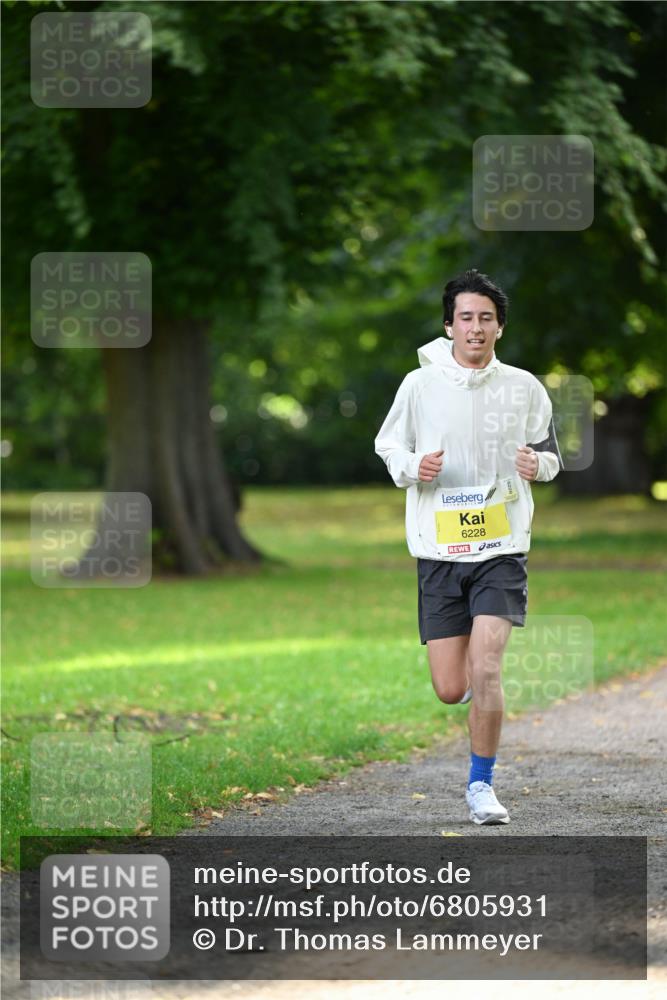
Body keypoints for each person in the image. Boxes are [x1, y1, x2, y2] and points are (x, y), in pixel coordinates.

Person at [374, 269, 562, 825]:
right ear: (449, 325)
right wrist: (414, 466)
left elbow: (550, 454)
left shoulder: (524, 386)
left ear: (499, 327)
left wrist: (539, 465)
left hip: (502, 547)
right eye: (465, 318)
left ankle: (481, 786)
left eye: (485, 318)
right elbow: (389, 445)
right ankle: (473, 699)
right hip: (439, 551)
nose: (475, 328)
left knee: (486, 670)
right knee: (450, 685)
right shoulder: (419, 385)